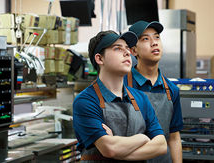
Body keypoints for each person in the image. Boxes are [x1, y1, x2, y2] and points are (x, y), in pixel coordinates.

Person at [73, 30, 167, 162]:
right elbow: (109, 148)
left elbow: (161, 145)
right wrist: (143, 138)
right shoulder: (86, 101)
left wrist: (118, 149)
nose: (127, 52)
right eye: (117, 48)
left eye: (127, 48)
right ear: (99, 58)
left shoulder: (141, 98)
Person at [125, 20, 183, 163]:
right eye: (145, 39)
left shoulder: (171, 90)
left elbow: (174, 138)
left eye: (157, 37)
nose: (154, 42)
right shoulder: (122, 85)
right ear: (133, 50)